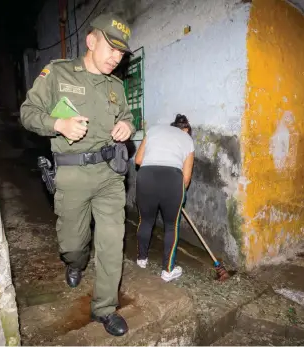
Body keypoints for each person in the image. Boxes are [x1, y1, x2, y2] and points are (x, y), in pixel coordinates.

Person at [20, 13, 135, 337]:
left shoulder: (116, 86)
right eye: (111, 48)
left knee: (112, 242)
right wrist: (58, 124)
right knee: (72, 242)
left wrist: (128, 125)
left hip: (111, 174)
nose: (116, 57)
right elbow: (28, 113)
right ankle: (75, 262)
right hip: (72, 174)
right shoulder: (57, 73)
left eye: (121, 53)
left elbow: (127, 117)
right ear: (91, 41)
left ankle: (104, 309)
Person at [133, 114, 195, 282]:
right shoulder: (187, 139)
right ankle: (168, 270)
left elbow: (138, 160)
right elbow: (186, 178)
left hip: (146, 176)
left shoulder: (154, 129)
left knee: (145, 220)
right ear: (185, 130)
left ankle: (141, 260)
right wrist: (179, 195)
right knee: (171, 226)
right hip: (172, 179)